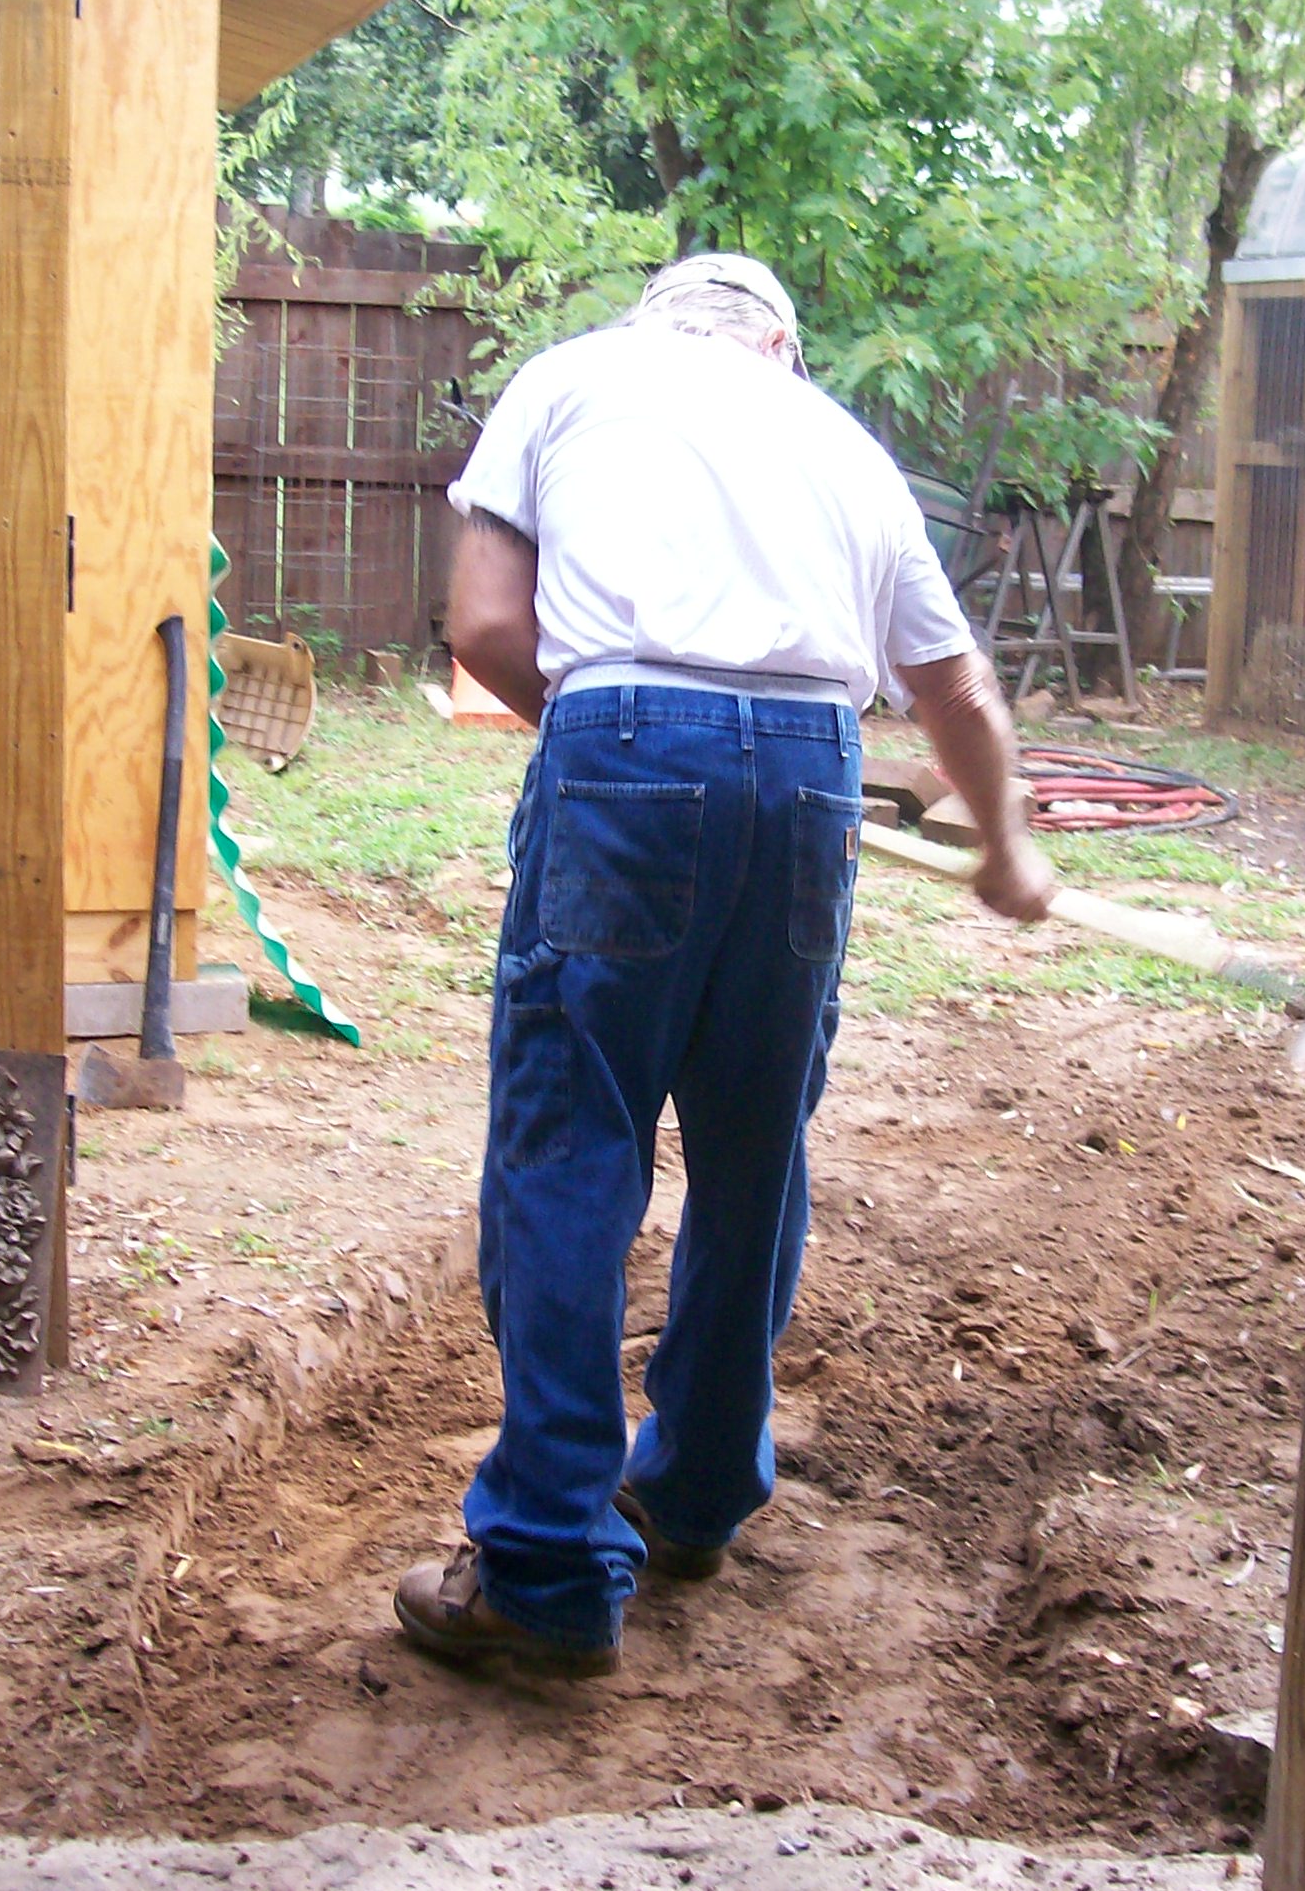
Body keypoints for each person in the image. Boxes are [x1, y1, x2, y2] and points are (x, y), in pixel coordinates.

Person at [394, 252, 1055, 1677]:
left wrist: (606, 743)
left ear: (658, 324)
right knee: (754, 1154)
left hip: (626, 742)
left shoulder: (569, 379)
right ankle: (691, 1497)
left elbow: (491, 631)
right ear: (781, 346)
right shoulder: (842, 445)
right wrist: (1008, 849)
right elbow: (956, 688)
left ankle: (551, 1573)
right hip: (815, 782)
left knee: (576, 1148)